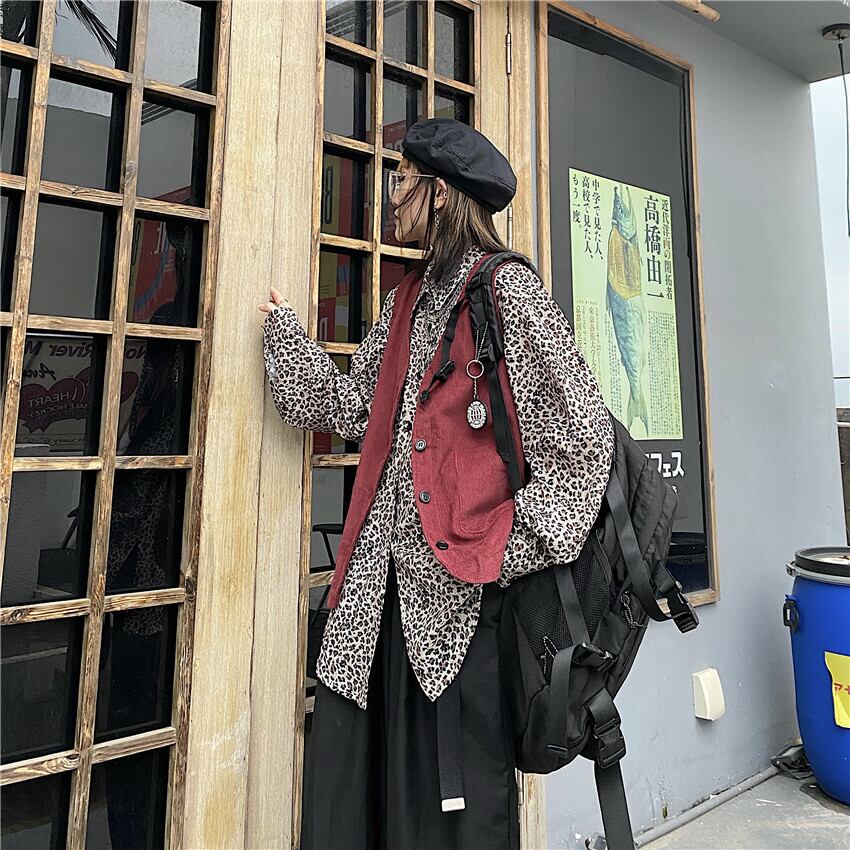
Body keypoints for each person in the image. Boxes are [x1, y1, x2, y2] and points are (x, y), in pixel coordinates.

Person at [258, 118, 615, 850]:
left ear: (441, 193)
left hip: (458, 617)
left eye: (401, 179)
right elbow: (355, 407)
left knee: (451, 822)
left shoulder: (507, 292)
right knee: (358, 809)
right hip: (372, 610)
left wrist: (490, 548)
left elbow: (583, 443)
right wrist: (283, 337)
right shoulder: (408, 300)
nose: (391, 196)